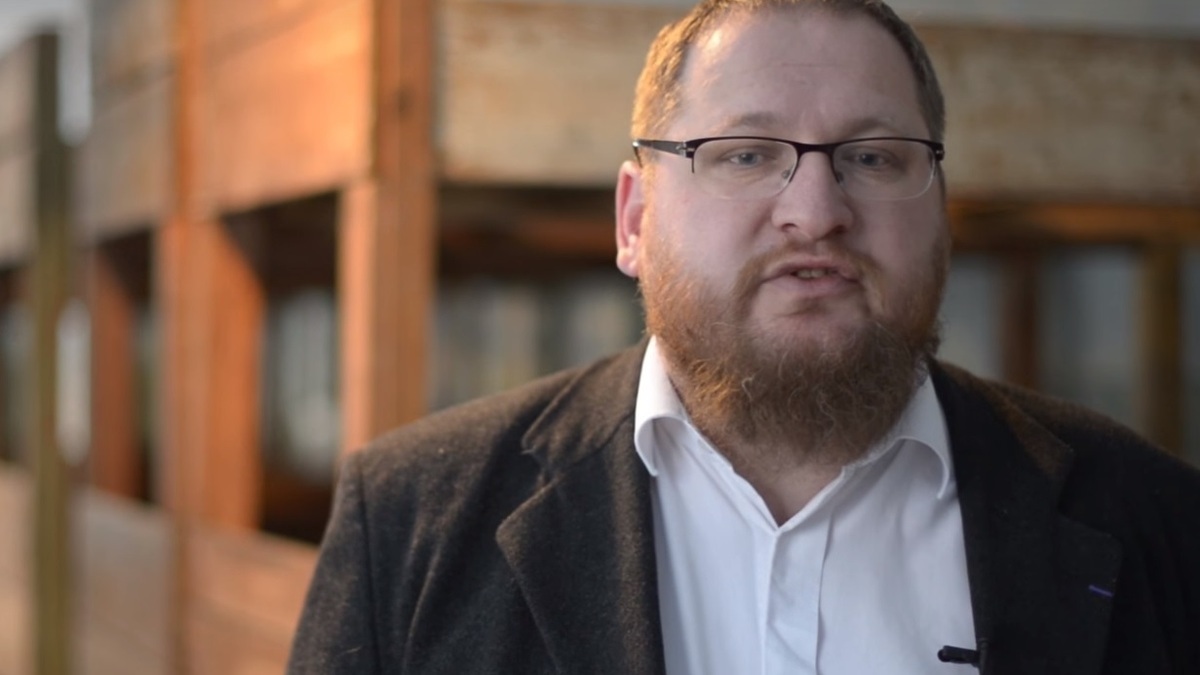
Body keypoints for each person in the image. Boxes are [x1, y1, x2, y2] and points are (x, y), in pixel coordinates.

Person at [287, 0, 1200, 672]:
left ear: (942, 215)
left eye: (873, 157)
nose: (816, 211)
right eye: (746, 154)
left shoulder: (1154, 517)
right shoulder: (407, 520)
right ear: (635, 219)